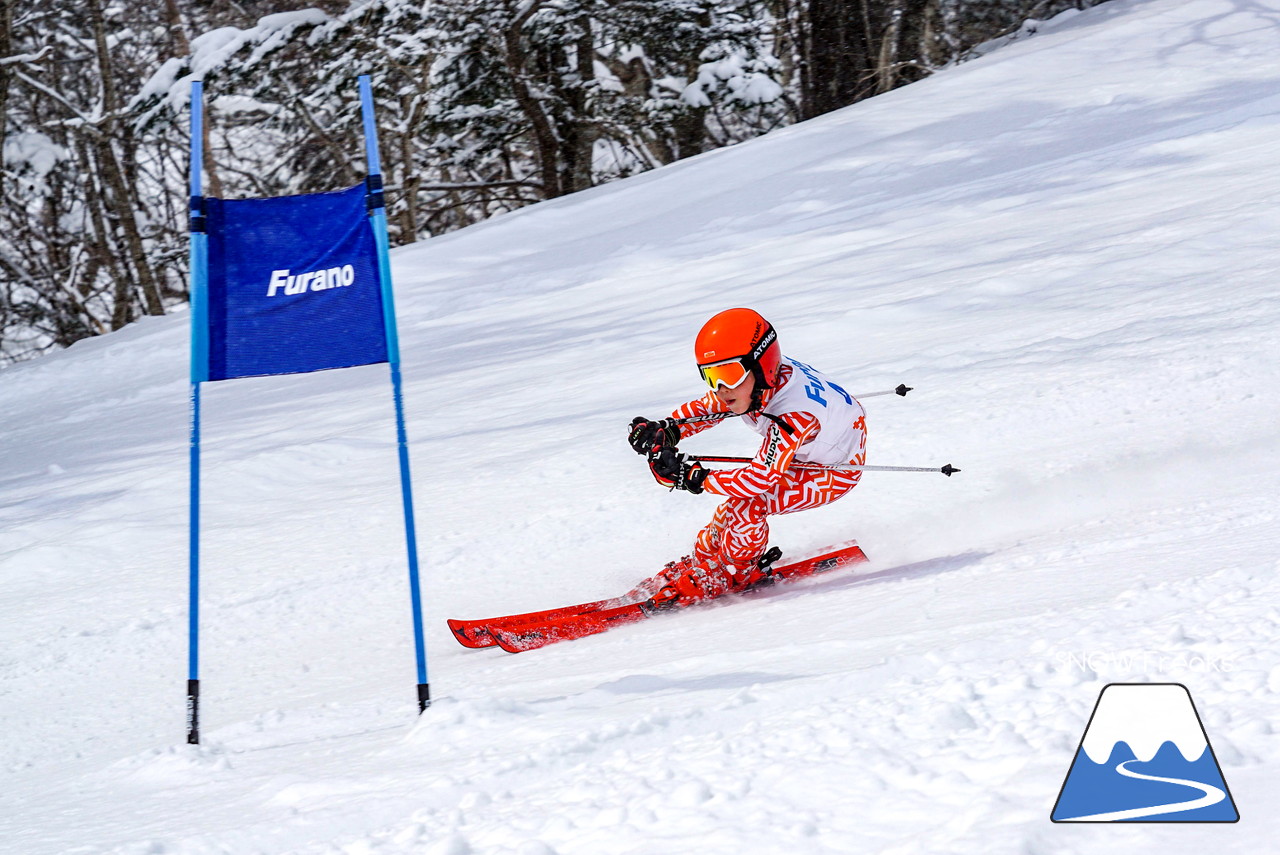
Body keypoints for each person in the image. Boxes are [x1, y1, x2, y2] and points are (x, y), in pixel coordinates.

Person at [627, 308, 868, 606]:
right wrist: (667, 429)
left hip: (834, 471)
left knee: (748, 506)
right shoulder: (760, 382)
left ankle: (732, 572)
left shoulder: (794, 414)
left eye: (728, 374)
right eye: (712, 376)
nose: (720, 389)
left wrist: (693, 478)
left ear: (761, 366)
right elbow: (710, 406)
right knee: (729, 509)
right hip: (808, 448)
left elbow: (759, 479)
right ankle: (703, 560)